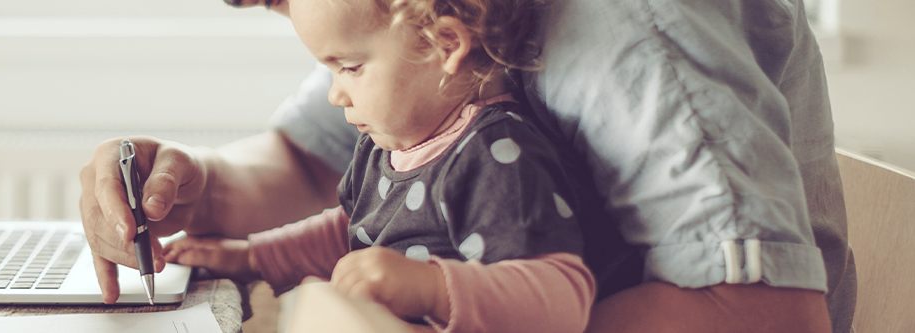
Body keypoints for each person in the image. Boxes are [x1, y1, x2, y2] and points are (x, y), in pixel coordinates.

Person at [79, 0, 853, 332]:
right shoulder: (417, 30)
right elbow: (319, 162)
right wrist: (195, 185)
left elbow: (769, 319)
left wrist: (446, 300)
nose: (338, 86)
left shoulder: (632, 29)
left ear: (441, 40)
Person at [162, 0, 609, 330]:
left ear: (445, 44)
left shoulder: (497, 153)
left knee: (319, 310)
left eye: (350, 67)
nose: (336, 94)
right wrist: (255, 257)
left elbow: (562, 298)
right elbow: (352, 230)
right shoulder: (386, 146)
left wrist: (431, 288)